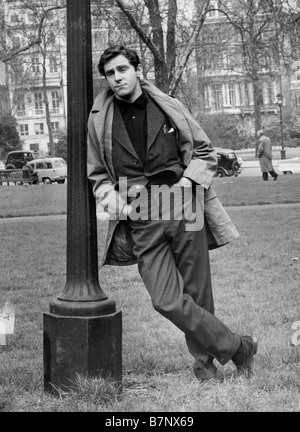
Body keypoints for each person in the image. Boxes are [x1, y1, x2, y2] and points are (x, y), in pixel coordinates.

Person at [87, 45, 258, 381]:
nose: (117, 78)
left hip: (183, 201)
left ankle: (204, 366)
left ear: (137, 69)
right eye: (110, 73)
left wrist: (185, 183)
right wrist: (113, 200)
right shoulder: (99, 120)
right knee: (164, 299)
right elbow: (97, 175)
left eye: (122, 69)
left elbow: (204, 150)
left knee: (197, 289)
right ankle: (239, 347)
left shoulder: (169, 105)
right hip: (139, 209)